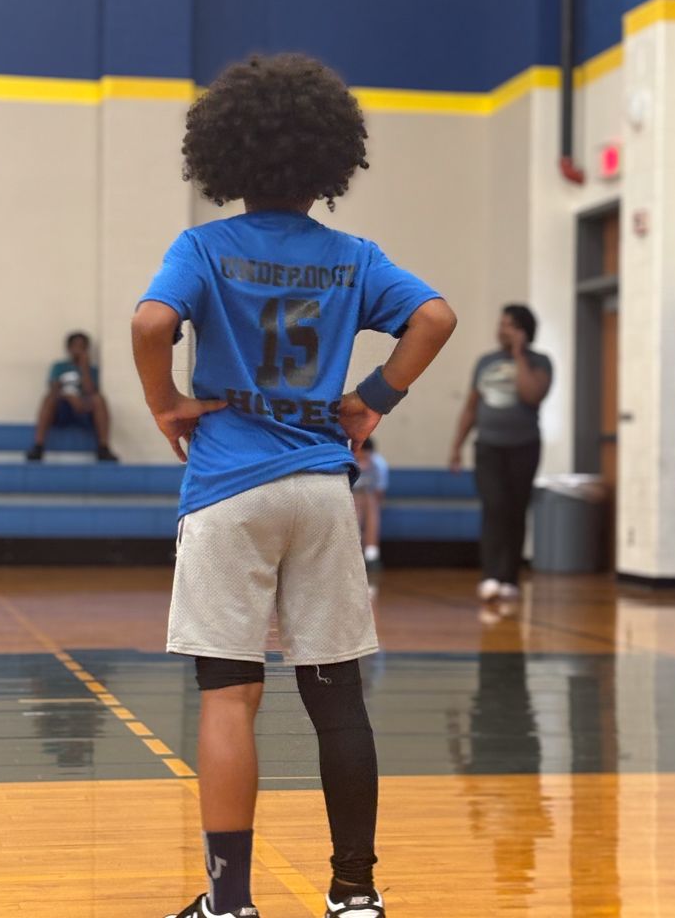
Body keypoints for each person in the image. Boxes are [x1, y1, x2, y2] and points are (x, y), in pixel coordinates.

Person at [131, 54, 457, 918]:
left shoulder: (203, 246)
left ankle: (229, 903)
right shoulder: (353, 257)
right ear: (327, 162)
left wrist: (166, 405)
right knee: (336, 692)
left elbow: (151, 322)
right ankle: (355, 893)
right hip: (319, 485)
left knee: (230, 695)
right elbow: (435, 318)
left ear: (228, 158)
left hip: (229, 486)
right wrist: (372, 400)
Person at [449, 305, 552, 603]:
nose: (501, 329)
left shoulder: (540, 362)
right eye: (501, 323)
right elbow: (471, 407)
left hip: (524, 446)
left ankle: (510, 578)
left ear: (524, 330)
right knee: (493, 507)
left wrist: (519, 354)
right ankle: (491, 575)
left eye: (509, 325)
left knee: (516, 511)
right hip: (489, 446)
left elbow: (532, 394)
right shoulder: (486, 362)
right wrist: (457, 446)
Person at [26, 332, 118, 462]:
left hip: (84, 409)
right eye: (76, 346)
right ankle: (38, 446)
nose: (79, 349)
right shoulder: (59, 367)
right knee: (48, 399)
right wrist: (70, 397)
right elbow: (54, 390)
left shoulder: (92, 370)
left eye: (82, 346)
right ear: (69, 348)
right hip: (63, 409)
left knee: (99, 400)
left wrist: (84, 368)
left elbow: (91, 392)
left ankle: (103, 448)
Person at [353, 438, 389, 566]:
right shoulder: (349, 462)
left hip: (370, 499)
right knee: (355, 515)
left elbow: (380, 491)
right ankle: (353, 556)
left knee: (371, 511)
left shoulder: (378, 464)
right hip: (351, 499)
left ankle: (371, 555)